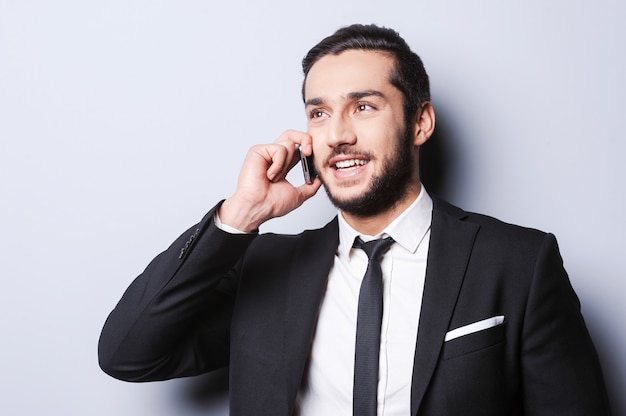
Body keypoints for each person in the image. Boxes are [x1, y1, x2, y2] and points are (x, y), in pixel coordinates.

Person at [98, 24, 611, 415]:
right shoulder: (267, 267)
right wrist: (239, 217)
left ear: (420, 122)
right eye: (318, 113)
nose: (337, 135)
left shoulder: (518, 262)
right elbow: (127, 354)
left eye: (363, 107)